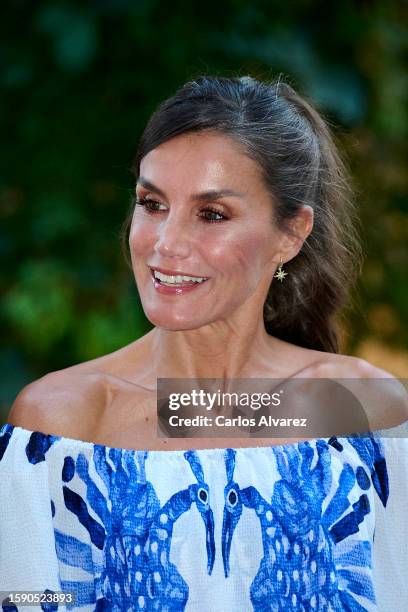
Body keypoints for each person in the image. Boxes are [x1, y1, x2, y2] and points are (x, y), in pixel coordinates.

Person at [1, 75, 407, 611]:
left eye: (211, 214)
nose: (165, 244)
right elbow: (20, 598)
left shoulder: (369, 411)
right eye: (152, 203)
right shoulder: (60, 424)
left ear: (291, 234)